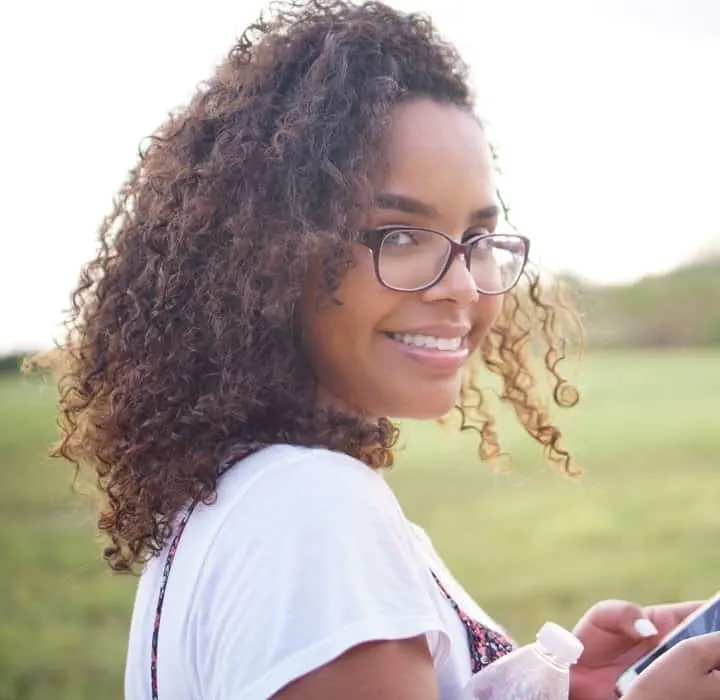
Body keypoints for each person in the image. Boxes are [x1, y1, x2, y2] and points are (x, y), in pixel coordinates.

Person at [33, 1, 720, 698]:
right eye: (399, 235)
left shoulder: (244, 492)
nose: (460, 286)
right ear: (271, 255)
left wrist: (550, 687)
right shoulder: (314, 512)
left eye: (479, 239)